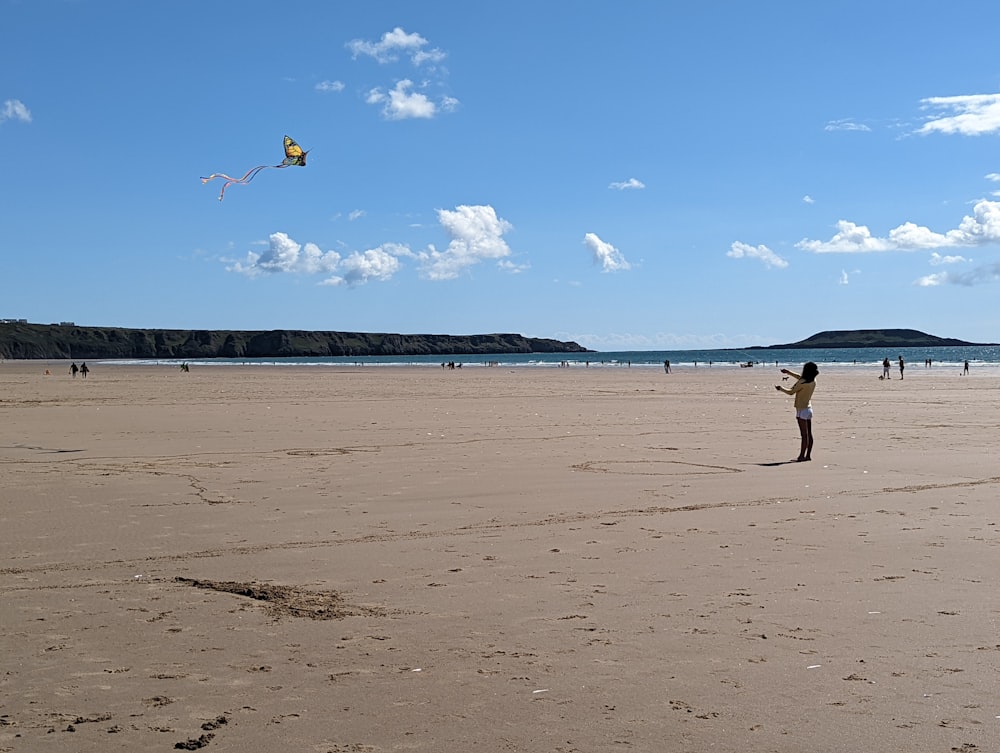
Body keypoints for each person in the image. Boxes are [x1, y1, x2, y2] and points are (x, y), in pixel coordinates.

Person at [775, 361, 818, 462]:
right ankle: (808, 456)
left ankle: (801, 456)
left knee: (804, 435)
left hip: (801, 410)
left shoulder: (802, 382)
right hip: (808, 409)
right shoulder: (813, 380)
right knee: (809, 434)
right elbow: (799, 377)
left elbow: (791, 392)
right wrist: (788, 372)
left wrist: (780, 388)